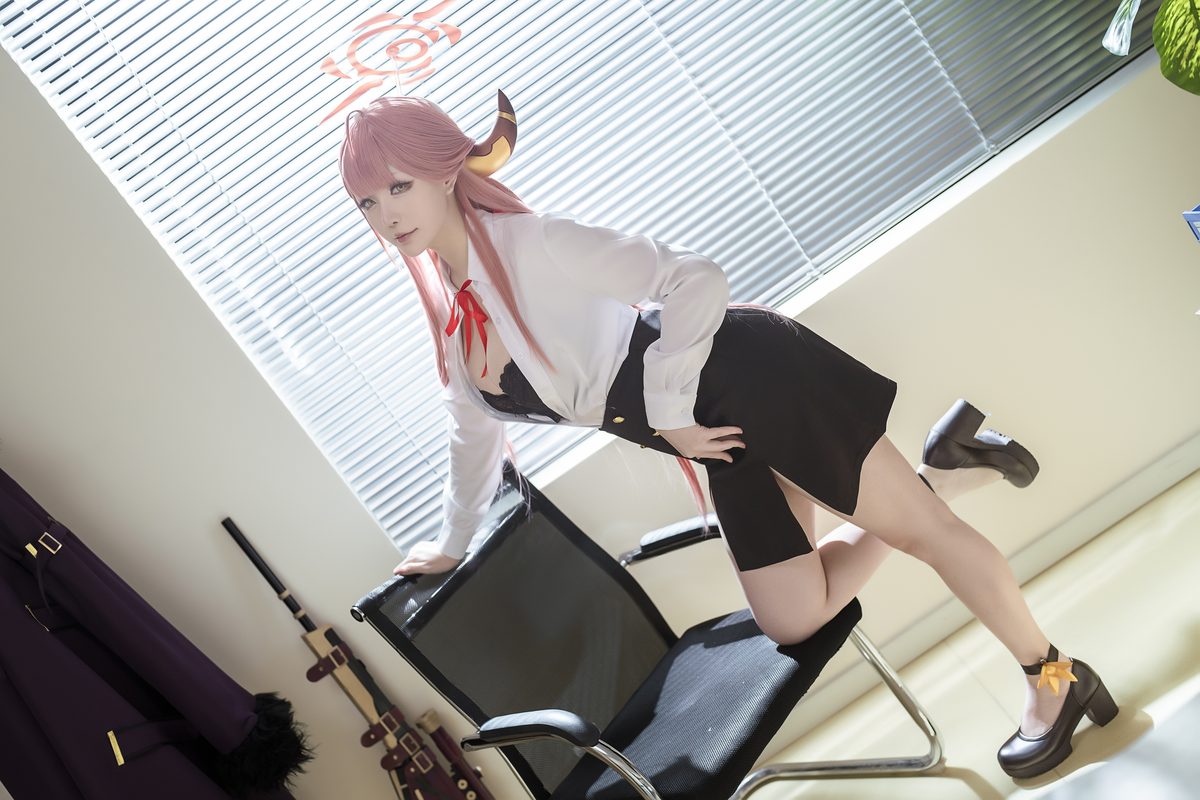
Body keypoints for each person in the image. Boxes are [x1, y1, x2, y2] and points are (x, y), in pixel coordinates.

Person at [336, 91, 1116, 780]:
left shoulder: (531, 244)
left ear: (445, 172)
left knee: (927, 536)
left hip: (756, 379)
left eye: (399, 186)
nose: (387, 214)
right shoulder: (456, 319)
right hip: (720, 440)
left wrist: (670, 406)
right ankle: (939, 470)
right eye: (368, 202)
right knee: (792, 618)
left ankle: (1054, 679)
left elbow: (694, 277)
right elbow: (470, 433)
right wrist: (452, 541)